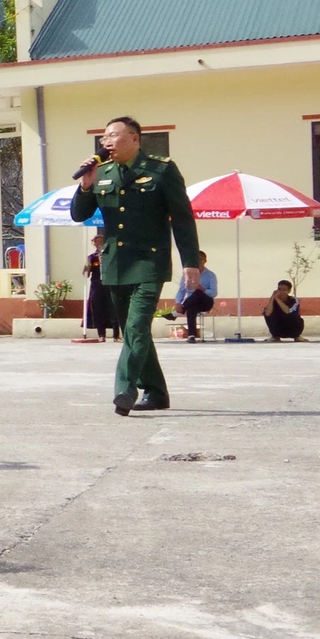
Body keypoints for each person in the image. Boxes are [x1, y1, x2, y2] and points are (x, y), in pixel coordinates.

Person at [69, 115, 202, 415]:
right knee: (133, 331)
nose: (106, 143)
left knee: (136, 326)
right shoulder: (102, 174)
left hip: (149, 261)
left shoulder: (161, 170)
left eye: (113, 136)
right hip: (116, 263)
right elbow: (79, 215)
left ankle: (125, 389)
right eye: (103, 138)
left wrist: (190, 261)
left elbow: (182, 218)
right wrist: (86, 186)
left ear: (134, 138)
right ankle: (156, 392)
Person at [174, 250, 218, 342]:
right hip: (192, 302)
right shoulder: (187, 275)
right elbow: (181, 290)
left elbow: (214, 293)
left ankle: (180, 310)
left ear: (205, 260)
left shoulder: (210, 275)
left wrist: (203, 289)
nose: (198, 261)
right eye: (196, 260)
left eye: (200, 259)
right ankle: (191, 336)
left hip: (206, 301)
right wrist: (178, 302)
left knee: (198, 292)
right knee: (191, 308)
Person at [82, 232, 118, 342]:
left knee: (113, 309)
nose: (99, 244)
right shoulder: (91, 258)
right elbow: (86, 274)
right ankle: (101, 334)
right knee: (98, 309)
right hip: (97, 286)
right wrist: (86, 269)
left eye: (101, 242)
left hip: (110, 285)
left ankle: (116, 335)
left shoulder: (111, 256)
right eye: (97, 242)